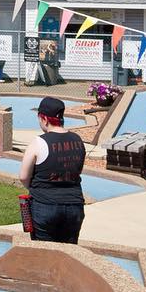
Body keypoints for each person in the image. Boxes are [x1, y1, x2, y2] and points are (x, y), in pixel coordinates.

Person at [18, 97, 85, 243]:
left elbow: (23, 176)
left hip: (45, 206)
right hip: (75, 206)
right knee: (69, 253)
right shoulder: (78, 140)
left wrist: (33, 188)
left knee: (45, 255)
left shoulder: (39, 143)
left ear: (44, 119)